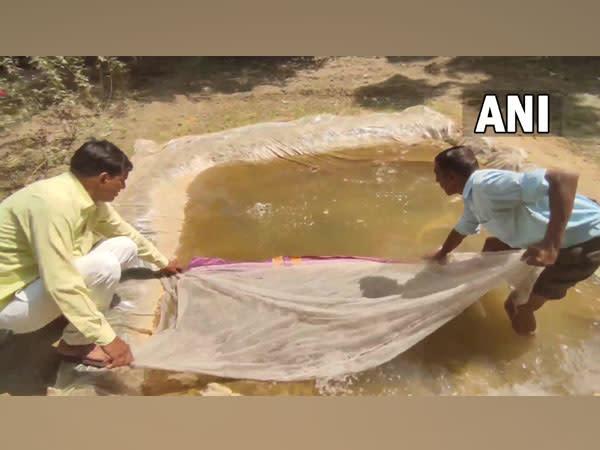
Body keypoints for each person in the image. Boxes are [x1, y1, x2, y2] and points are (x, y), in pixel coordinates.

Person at [0, 139, 182, 367]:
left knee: (126, 245)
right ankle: (75, 344)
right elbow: (61, 281)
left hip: (38, 279)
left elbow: (123, 230)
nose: (123, 188)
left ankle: (71, 315)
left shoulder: (85, 196)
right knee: (104, 267)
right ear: (104, 178)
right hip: (11, 303)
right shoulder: (52, 205)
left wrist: (162, 262)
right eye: (121, 181)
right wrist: (108, 339)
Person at [428, 145, 600, 335]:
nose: (436, 180)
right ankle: (475, 293)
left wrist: (551, 243)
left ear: (451, 177)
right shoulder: (473, 195)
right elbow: (463, 228)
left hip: (586, 238)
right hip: (561, 234)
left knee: (516, 307)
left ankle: (526, 350)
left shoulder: (487, 186)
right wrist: (441, 254)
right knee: (492, 247)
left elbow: (564, 178)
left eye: (438, 174)